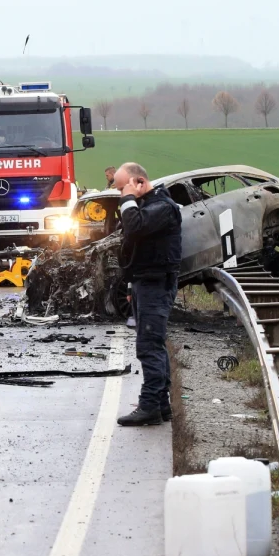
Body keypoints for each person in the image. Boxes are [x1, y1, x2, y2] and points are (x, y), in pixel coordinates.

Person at [112, 162, 182, 427]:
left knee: (149, 346)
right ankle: (161, 406)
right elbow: (134, 249)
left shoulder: (162, 208)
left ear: (139, 182)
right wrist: (130, 287)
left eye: (122, 188)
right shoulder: (148, 206)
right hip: (144, 283)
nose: (121, 195)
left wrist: (129, 199)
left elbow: (135, 229)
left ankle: (150, 406)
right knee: (154, 344)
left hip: (156, 284)